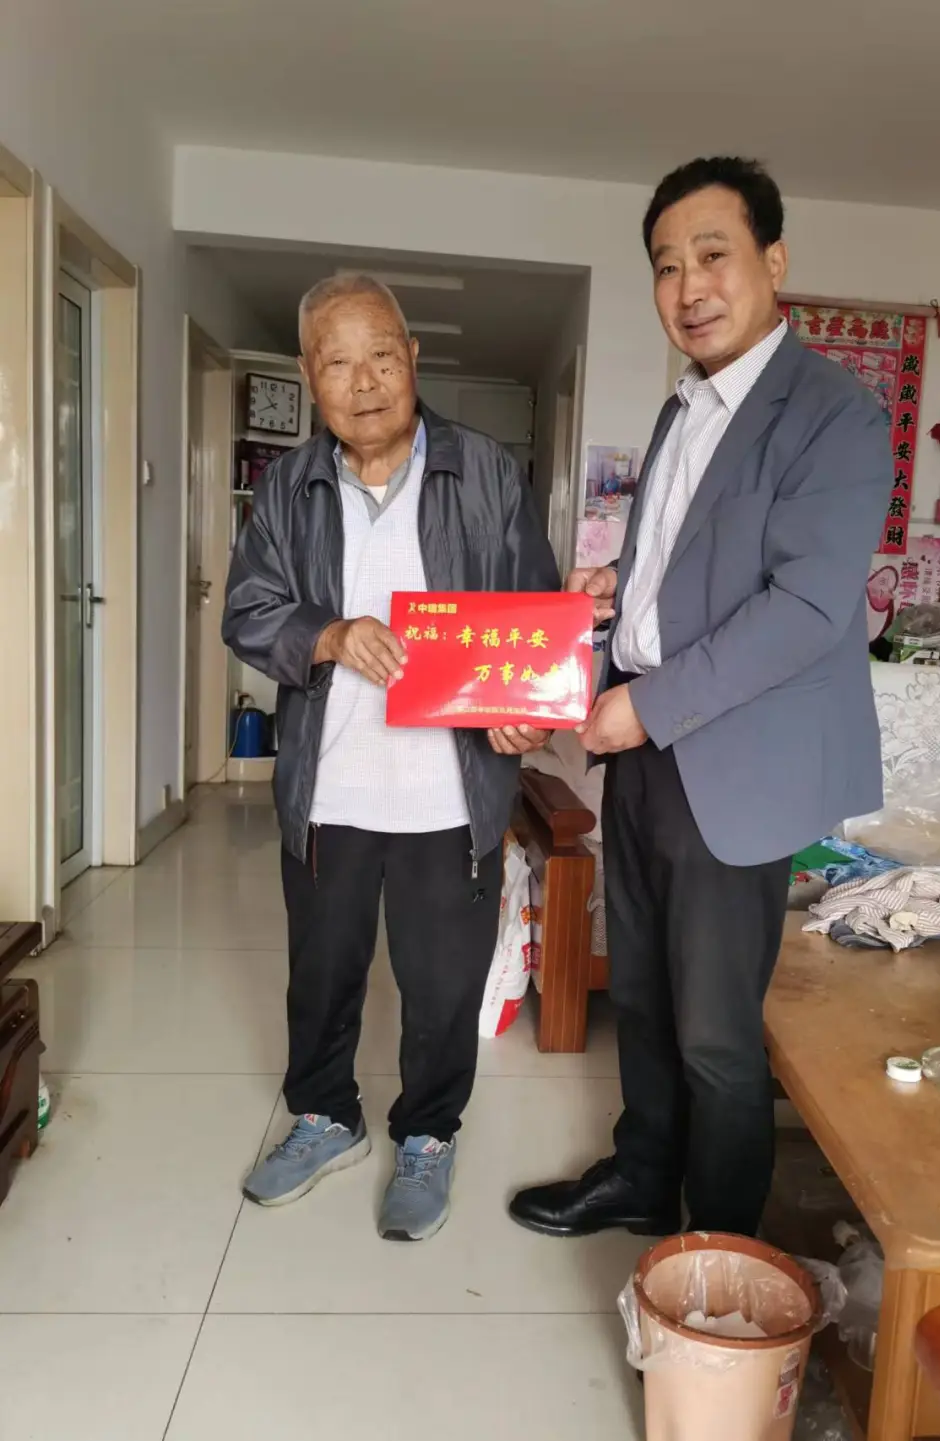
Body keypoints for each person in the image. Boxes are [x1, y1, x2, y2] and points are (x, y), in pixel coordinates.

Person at [509, 157, 892, 1241]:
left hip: (732, 758)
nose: (690, 288)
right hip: (644, 750)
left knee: (717, 1032)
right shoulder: (684, 409)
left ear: (774, 260)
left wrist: (646, 706)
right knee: (640, 993)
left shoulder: (836, 414)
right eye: (667, 266)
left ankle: (719, 1254)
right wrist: (617, 587)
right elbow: (696, 565)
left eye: (713, 255)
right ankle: (644, 1179)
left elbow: (805, 607)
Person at [222, 273, 559, 1240]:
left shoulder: (486, 471)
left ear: (413, 359)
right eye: (338, 362)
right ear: (309, 376)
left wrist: (526, 714)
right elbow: (247, 610)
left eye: (381, 356)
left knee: (441, 984)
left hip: (449, 792)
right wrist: (328, 635)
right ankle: (326, 1116)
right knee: (322, 973)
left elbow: (532, 616)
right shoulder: (289, 486)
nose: (364, 382)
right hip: (329, 790)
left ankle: (428, 1132)